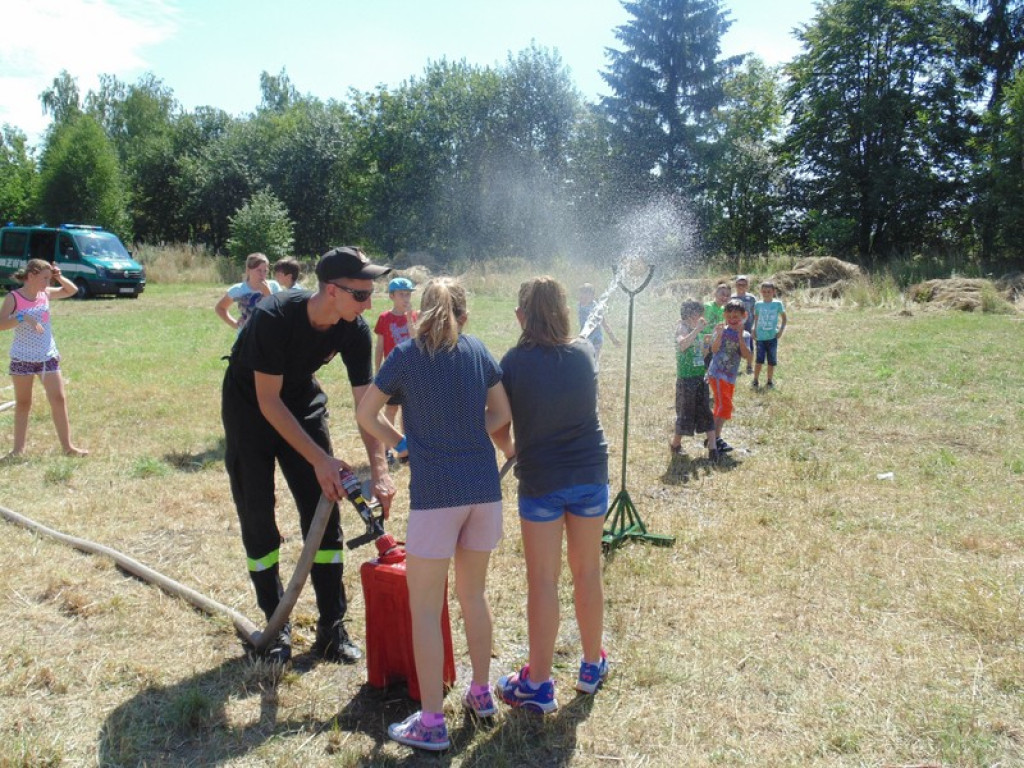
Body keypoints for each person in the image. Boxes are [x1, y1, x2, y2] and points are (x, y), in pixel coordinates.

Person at [356, 277, 512, 752]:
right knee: (475, 596)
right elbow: (501, 414)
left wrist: (403, 444)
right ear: (463, 315)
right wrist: (467, 430)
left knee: (425, 608)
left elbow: (366, 415)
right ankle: (482, 695)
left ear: (420, 313)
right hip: (484, 492)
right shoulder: (478, 351)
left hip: (436, 497)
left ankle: (430, 721)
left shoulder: (405, 356)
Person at [221, 246, 396, 666]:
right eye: (360, 294)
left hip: (301, 402)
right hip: (251, 409)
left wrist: (379, 468)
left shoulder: (353, 329)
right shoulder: (274, 315)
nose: (369, 302)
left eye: (371, 293)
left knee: (324, 509)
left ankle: (332, 628)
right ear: (332, 290)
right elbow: (268, 401)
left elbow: (365, 408)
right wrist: (320, 458)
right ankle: (275, 624)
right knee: (258, 513)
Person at [493, 276, 610, 714]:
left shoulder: (512, 363)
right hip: (588, 475)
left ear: (521, 316)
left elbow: (499, 426)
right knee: (588, 572)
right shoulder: (583, 352)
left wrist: (511, 450)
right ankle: (591, 666)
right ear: (563, 311)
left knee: (543, 582)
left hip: (541, 481)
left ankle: (538, 685)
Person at [0, 259, 87, 458]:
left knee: (59, 398)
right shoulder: (14, 298)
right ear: (31, 276)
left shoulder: (45, 294)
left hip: (47, 356)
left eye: (50, 278)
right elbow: (1, 324)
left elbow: (71, 290)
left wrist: (59, 276)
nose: (48, 283)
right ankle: (17, 450)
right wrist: (22, 317)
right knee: (23, 403)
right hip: (22, 358)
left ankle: (68, 447)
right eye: (45, 278)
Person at [373, 276, 418, 461]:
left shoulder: (414, 316)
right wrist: (377, 368)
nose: (406, 299)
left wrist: (409, 319)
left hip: (411, 371)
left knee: (408, 411)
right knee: (390, 410)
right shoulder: (384, 318)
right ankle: (386, 450)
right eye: (402, 295)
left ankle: (407, 448)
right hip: (392, 371)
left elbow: (416, 340)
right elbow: (379, 345)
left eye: (408, 295)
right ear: (392, 296)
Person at [669, 299, 717, 461]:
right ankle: (675, 445)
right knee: (685, 412)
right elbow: (682, 345)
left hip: (699, 375)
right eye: (699, 313)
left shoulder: (696, 330)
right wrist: (697, 330)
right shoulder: (681, 328)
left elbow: (700, 356)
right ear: (690, 314)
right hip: (686, 378)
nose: (702, 317)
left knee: (705, 410)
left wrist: (706, 346)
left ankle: (713, 447)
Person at [706, 299, 752, 454]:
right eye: (730, 316)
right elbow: (714, 349)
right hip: (717, 373)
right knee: (723, 406)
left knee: (724, 406)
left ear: (744, 316)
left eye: (736, 317)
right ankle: (714, 438)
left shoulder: (745, 335)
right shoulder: (720, 330)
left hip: (730, 376)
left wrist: (739, 336)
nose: (733, 320)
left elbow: (747, 356)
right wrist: (719, 335)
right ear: (725, 315)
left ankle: (712, 437)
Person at [215, 253, 281, 331]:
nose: (262, 274)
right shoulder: (239, 289)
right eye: (258, 270)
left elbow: (281, 312)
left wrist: (268, 294)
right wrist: (235, 324)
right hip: (246, 337)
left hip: (268, 334)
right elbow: (220, 308)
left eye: (265, 271)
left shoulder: (274, 286)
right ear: (248, 270)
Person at [752, 280, 787, 390]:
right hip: (760, 337)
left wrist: (781, 330)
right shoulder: (758, 304)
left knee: (771, 361)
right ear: (761, 292)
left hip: (772, 337)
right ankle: (755, 380)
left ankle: (769, 381)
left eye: (769, 291)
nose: (766, 293)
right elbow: (756, 319)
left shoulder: (777, 304)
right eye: (764, 291)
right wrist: (753, 329)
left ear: (773, 292)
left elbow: (784, 318)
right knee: (759, 360)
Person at [577, 282, 618, 362]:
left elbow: (605, 324)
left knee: (593, 360)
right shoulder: (579, 305)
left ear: (592, 297)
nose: (583, 298)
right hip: (585, 338)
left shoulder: (596, 309)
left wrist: (613, 339)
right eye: (581, 295)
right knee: (584, 359)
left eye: (586, 296)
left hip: (596, 338)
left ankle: (594, 371)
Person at [731, 275, 756, 374]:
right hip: (734, 326)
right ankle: (734, 366)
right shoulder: (732, 297)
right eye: (739, 284)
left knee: (750, 346)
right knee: (733, 346)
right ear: (735, 285)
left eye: (744, 284)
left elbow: (755, 313)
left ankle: (749, 367)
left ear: (747, 286)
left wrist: (755, 327)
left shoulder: (751, 298)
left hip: (748, 325)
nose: (741, 286)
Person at [702, 282, 730, 367]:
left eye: (727, 295)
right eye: (722, 294)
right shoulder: (707, 306)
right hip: (703, 340)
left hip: (715, 341)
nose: (725, 297)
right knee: (702, 363)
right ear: (715, 294)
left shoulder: (724, 310)